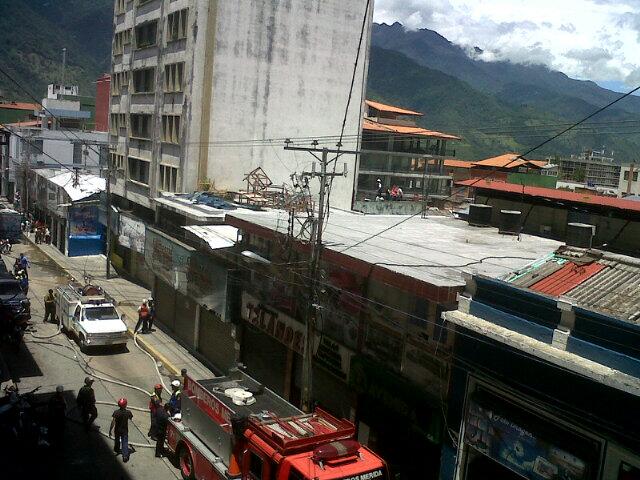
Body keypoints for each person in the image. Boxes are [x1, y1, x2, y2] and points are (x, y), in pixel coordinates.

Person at [110, 398, 133, 463]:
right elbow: (131, 417)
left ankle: (116, 450)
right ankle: (125, 455)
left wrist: (110, 430)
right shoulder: (128, 412)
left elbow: (113, 422)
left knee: (117, 440)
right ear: (125, 405)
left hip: (117, 430)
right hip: (124, 430)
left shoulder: (116, 412)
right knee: (124, 442)